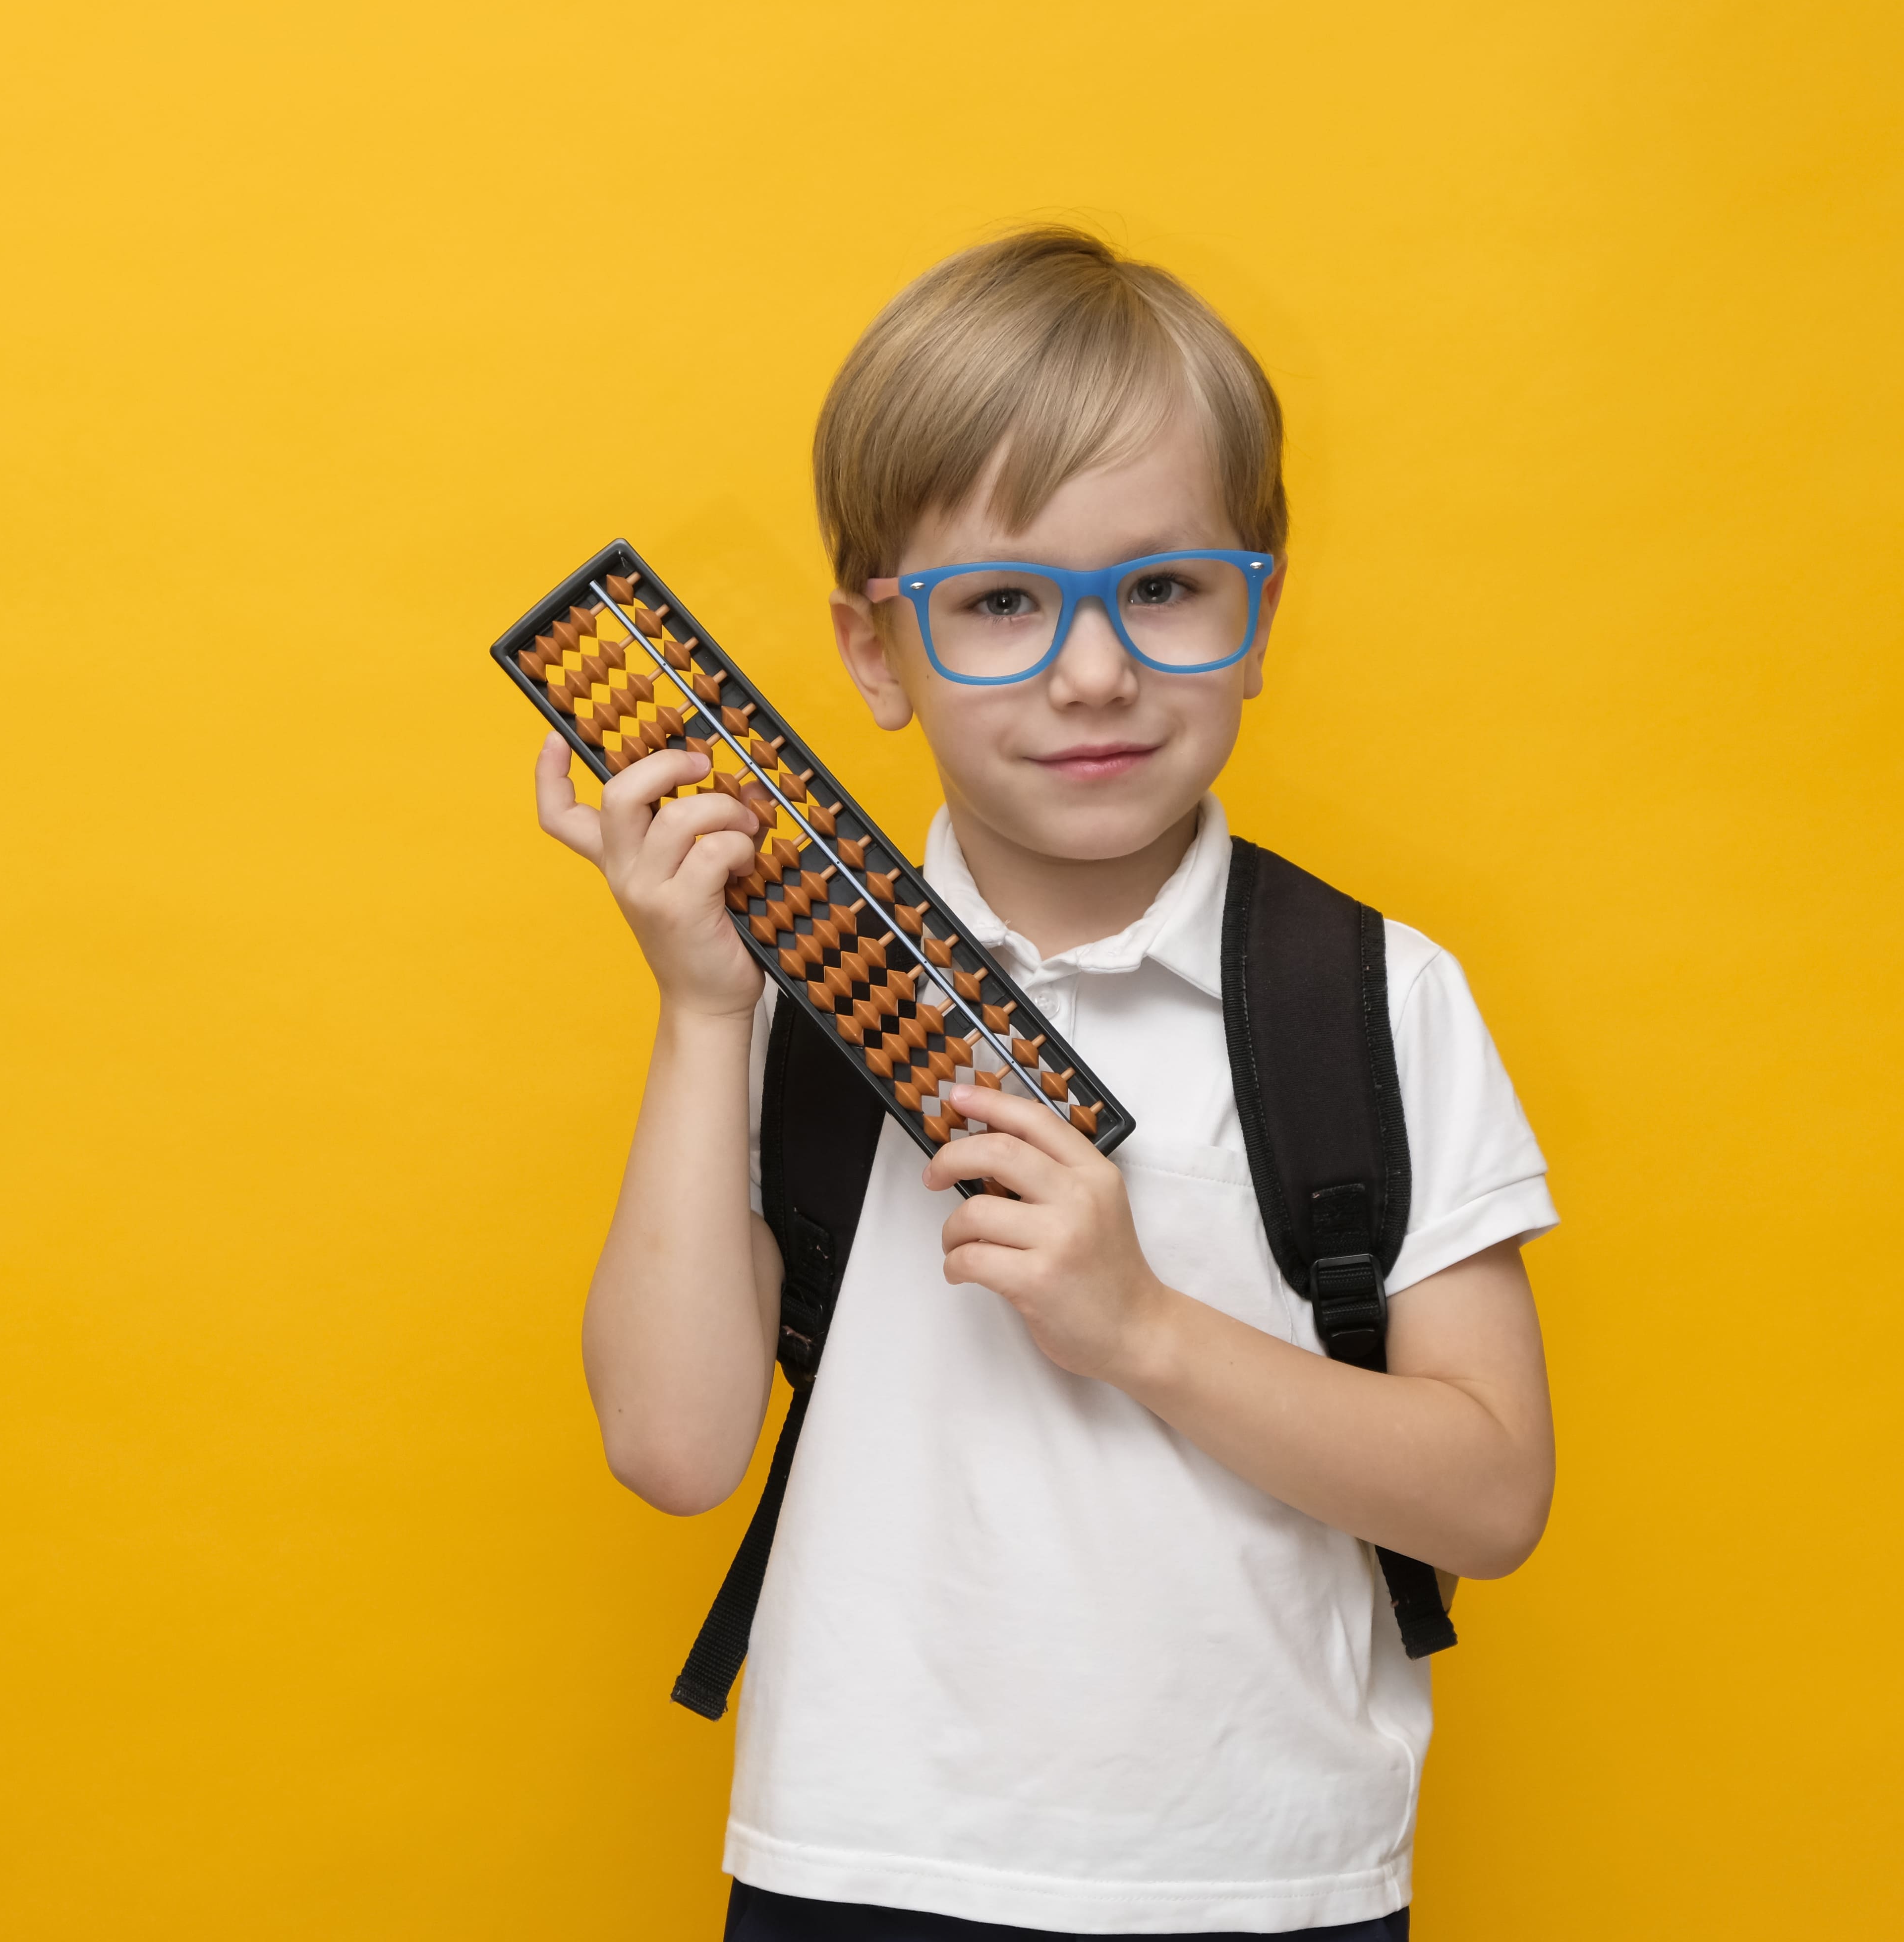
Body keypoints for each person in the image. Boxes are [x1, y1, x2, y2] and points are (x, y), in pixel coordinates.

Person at [530, 227, 1559, 1941]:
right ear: (875, 653)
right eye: (1000, 602)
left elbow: (1491, 1494)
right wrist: (707, 1014)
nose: (1092, 672)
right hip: (863, 1866)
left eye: (1160, 588)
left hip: (1269, 1881)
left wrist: (1138, 1324)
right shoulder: (797, 1004)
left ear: (1257, 614)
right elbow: (673, 1444)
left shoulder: (1372, 1000)